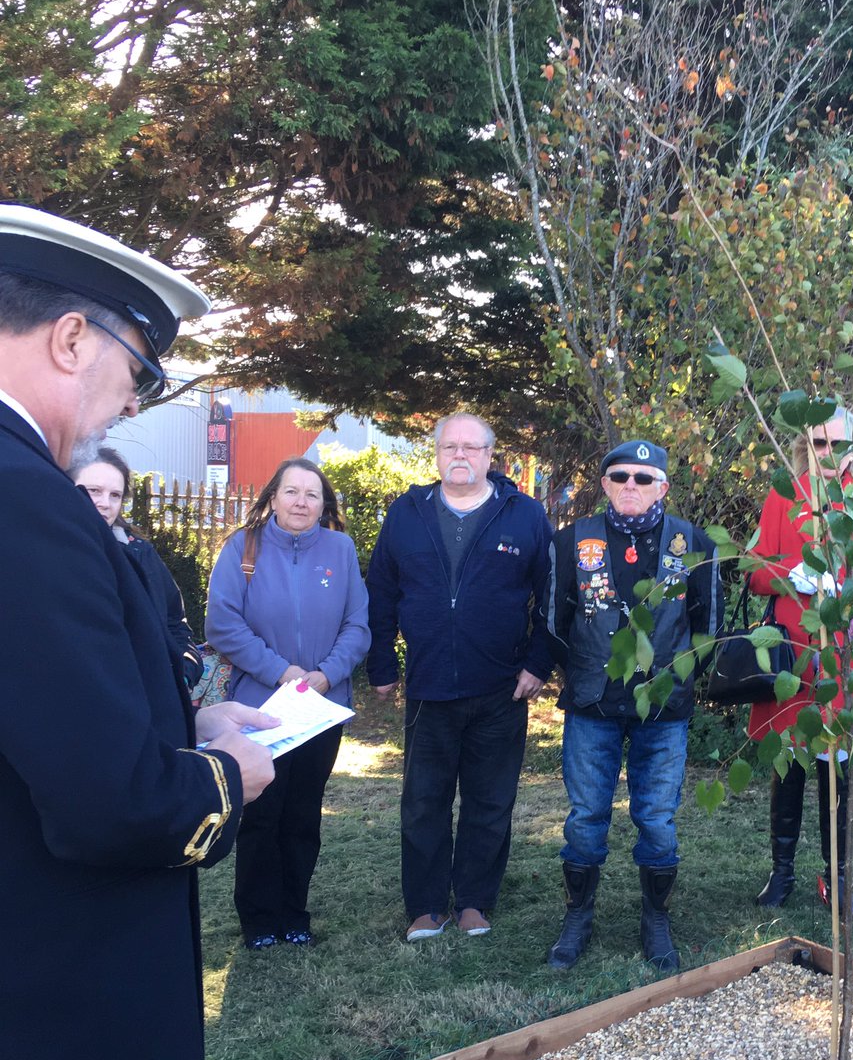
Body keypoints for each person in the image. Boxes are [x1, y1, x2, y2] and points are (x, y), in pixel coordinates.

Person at [0, 204, 275, 1060]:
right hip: (46, 1046)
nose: (132, 404)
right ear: (72, 338)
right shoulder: (23, 498)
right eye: (140, 373)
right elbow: (106, 800)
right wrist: (226, 774)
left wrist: (188, 712)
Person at [366, 412, 554, 942]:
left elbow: (554, 596)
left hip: (501, 687)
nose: (461, 455)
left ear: (491, 456)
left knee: (489, 800)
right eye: (450, 446)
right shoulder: (406, 514)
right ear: (437, 454)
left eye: (472, 447)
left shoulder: (525, 516)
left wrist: (539, 663)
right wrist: (382, 663)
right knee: (424, 801)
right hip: (429, 687)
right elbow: (380, 592)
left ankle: (474, 900)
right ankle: (426, 905)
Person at [543, 439, 723, 971]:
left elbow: (706, 627)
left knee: (658, 818)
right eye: (620, 476)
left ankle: (656, 918)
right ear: (604, 484)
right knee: (585, 816)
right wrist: (579, 671)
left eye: (644, 479)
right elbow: (554, 620)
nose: (631, 486)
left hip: (663, 709)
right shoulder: (572, 540)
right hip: (592, 703)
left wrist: (677, 680)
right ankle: (577, 917)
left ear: (663, 486)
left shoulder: (693, 542)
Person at [206, 457, 370, 949]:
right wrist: (283, 672)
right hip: (261, 707)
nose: (302, 502)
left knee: (303, 814)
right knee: (261, 814)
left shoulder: (340, 550)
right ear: (273, 497)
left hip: (321, 708)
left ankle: (294, 913)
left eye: (312, 494)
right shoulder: (242, 547)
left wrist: (325, 675)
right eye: (292, 492)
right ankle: (258, 920)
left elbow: (358, 625)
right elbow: (223, 624)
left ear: (325, 504)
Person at [745, 411, 853, 912]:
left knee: (838, 766)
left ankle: (837, 879)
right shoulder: (783, 495)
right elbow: (756, 572)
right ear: (803, 445)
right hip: (792, 649)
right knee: (787, 763)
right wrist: (794, 575)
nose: (829, 453)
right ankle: (782, 871)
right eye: (818, 442)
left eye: (839, 443)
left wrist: (847, 585)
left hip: (845, 654)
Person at [71, 445, 203, 689]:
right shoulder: (50, 555)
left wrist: (182, 673)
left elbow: (176, 624)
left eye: (115, 495)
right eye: (94, 491)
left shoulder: (140, 554)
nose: (104, 503)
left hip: (151, 699)